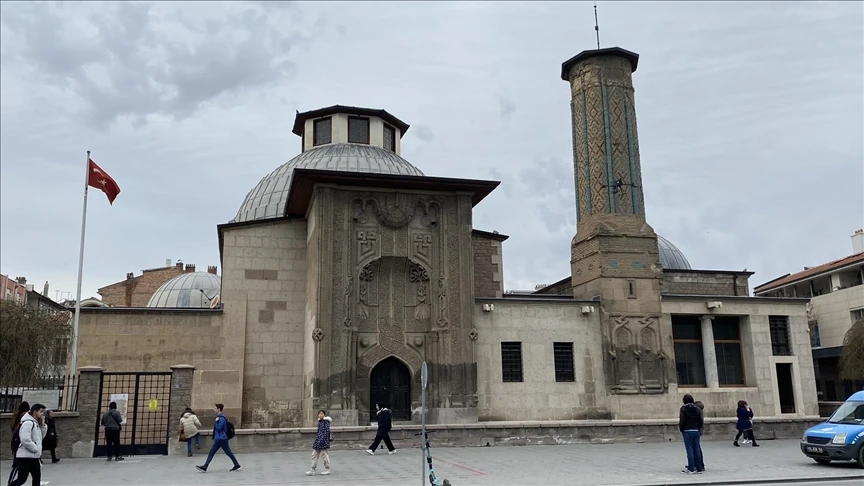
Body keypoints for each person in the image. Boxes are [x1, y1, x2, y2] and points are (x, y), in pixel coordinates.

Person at [9, 403, 47, 486]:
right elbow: (25, 439)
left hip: (33, 456)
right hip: (26, 456)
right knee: (22, 479)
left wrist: (43, 425)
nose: (42, 414)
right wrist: (35, 448)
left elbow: (40, 437)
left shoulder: (35, 423)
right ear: (34, 412)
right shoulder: (28, 423)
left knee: (36, 478)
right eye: (41, 411)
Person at [196, 403, 241, 473]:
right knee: (218, 452)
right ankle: (205, 466)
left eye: (215, 408)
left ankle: (205, 466)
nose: (214, 410)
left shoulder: (221, 418)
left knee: (225, 452)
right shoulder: (220, 417)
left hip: (221, 438)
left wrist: (216, 422)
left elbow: (219, 428)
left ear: (219, 409)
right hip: (220, 438)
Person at [678, 394, 704, 475]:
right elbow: (701, 421)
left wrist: (682, 429)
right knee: (696, 449)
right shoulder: (697, 409)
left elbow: (682, 420)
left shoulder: (683, 408)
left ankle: (691, 468)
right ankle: (699, 468)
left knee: (689, 450)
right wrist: (698, 428)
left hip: (687, 431)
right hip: (696, 430)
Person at [7, 401, 30, 485]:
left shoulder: (16, 414)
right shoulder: (24, 416)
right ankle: (10, 483)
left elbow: (12, 425)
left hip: (16, 439)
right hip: (19, 440)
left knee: (18, 464)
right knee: (17, 466)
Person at [306, 410, 332, 476]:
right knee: (314, 455)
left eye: (322, 414)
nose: (320, 415)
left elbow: (326, 432)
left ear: (324, 415)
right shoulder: (320, 422)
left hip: (323, 442)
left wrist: (322, 440)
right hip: (318, 441)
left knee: (324, 455)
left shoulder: (325, 422)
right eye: (319, 414)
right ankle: (312, 469)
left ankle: (327, 469)